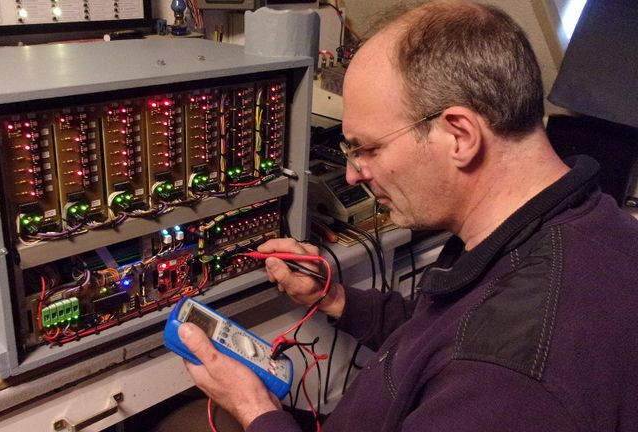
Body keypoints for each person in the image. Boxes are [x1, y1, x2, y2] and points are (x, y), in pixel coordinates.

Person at [177, 1, 638, 431]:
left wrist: (256, 409)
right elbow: (437, 335)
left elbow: (475, 351)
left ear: (459, 135)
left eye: (367, 149)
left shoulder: (510, 380)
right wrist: (334, 297)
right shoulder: (589, 226)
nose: (354, 175)